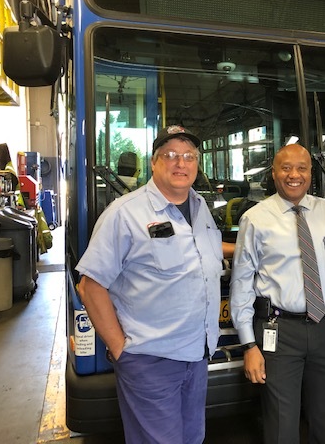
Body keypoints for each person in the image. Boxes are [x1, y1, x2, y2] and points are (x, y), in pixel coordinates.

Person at [75, 125, 224, 444]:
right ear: (154, 162)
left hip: (197, 357)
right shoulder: (126, 214)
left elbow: (200, 249)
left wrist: (246, 248)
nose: (180, 163)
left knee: (192, 438)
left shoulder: (199, 208)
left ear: (197, 165)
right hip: (151, 361)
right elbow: (89, 286)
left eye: (188, 156)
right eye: (170, 155)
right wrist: (121, 349)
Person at [230, 143, 325, 444]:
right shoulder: (255, 219)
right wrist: (248, 345)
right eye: (286, 168)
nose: (294, 175)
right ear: (274, 173)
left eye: (302, 168)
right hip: (279, 332)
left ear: (310, 172)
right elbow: (242, 283)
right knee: (282, 423)